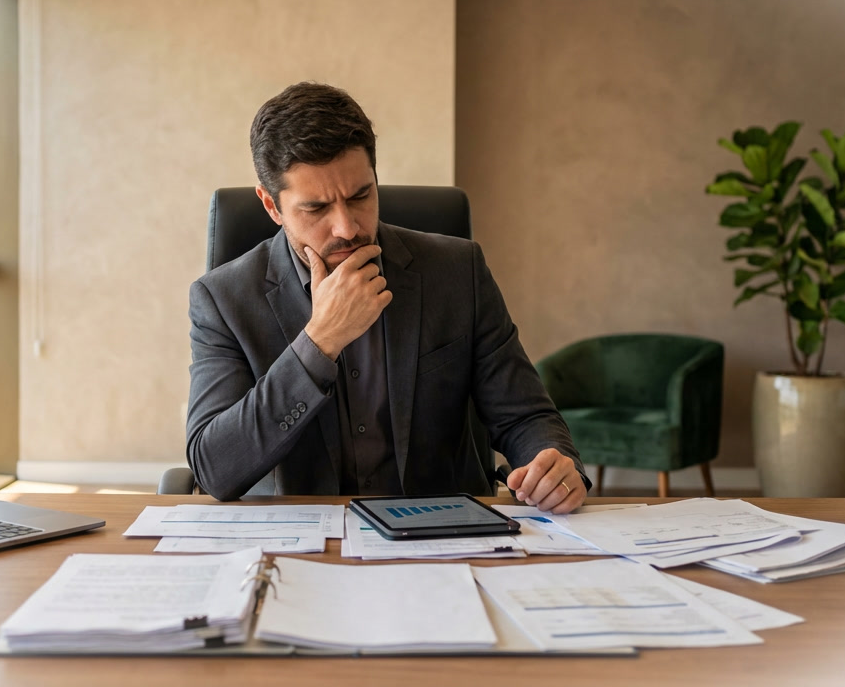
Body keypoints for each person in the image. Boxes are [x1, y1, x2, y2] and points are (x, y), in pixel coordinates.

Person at [186, 82, 590, 512]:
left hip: (438, 535)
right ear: (271, 206)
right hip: (304, 541)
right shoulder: (222, 300)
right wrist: (319, 341)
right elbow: (215, 468)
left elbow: (525, 417)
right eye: (316, 208)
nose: (346, 227)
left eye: (361, 196)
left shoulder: (457, 271)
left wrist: (555, 465)